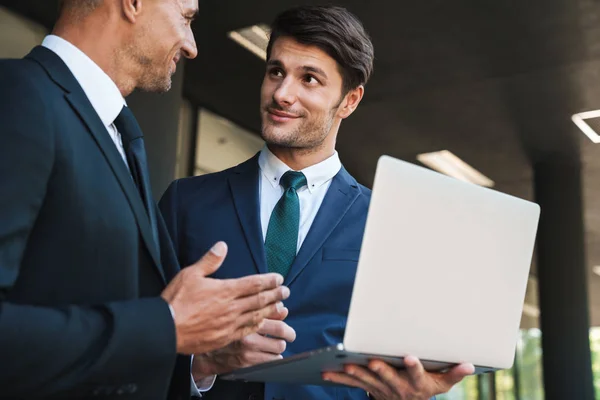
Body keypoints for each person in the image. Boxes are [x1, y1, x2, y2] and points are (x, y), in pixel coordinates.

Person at [159, 5, 474, 400]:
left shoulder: (387, 223)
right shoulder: (185, 203)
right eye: (276, 71)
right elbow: (138, 341)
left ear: (349, 101)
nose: (282, 93)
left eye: (309, 79)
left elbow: (391, 369)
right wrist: (202, 363)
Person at [0, 0, 289, 398]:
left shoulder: (121, 136)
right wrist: (165, 324)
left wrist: (199, 357)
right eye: (186, 18)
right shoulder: (18, 97)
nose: (191, 46)